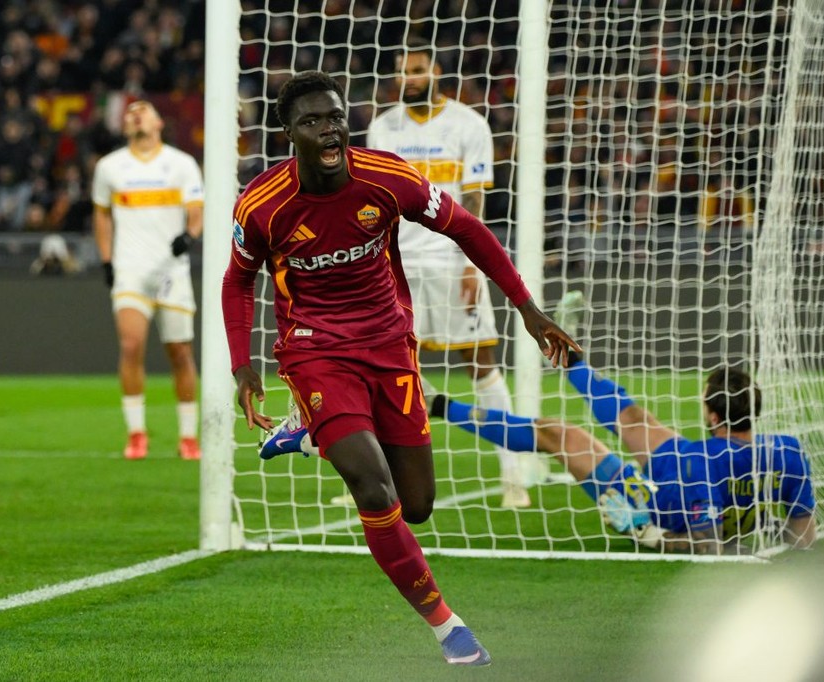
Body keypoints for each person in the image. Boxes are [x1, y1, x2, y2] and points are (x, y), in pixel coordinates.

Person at [222, 71, 579, 666]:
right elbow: (238, 280)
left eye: (336, 117)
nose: (329, 130)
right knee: (373, 487)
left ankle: (312, 434)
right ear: (289, 135)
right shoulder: (262, 204)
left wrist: (527, 308)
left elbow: (467, 228)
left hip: (389, 344)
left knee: (416, 505)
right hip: (315, 351)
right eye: (312, 121)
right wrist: (242, 364)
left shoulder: (388, 178)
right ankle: (449, 629)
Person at [425, 291, 818, 553]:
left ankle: (438, 405)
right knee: (632, 417)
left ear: (713, 416)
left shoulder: (703, 465)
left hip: (650, 498)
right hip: (683, 459)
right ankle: (571, 360)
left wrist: (650, 534)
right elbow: (805, 535)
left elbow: (708, 545)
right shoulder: (788, 452)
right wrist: (771, 527)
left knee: (558, 434)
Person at [362, 37, 543, 509]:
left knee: (481, 363)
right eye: (403, 71)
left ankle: (513, 476)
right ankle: (377, 482)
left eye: (417, 70)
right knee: (387, 371)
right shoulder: (382, 128)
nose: (409, 79)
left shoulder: (469, 124)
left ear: (436, 72)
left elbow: (475, 200)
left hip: (450, 261)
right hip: (398, 267)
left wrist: (471, 263)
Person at [92, 100, 204, 461]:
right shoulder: (109, 167)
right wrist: (107, 259)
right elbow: (101, 215)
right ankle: (137, 433)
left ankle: (188, 436)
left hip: (171, 271)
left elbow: (196, 211)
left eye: (143, 111)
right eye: (130, 114)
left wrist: (189, 235)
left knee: (180, 352)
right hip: (131, 270)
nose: (135, 115)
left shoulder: (181, 163)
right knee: (130, 345)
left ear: (158, 122)